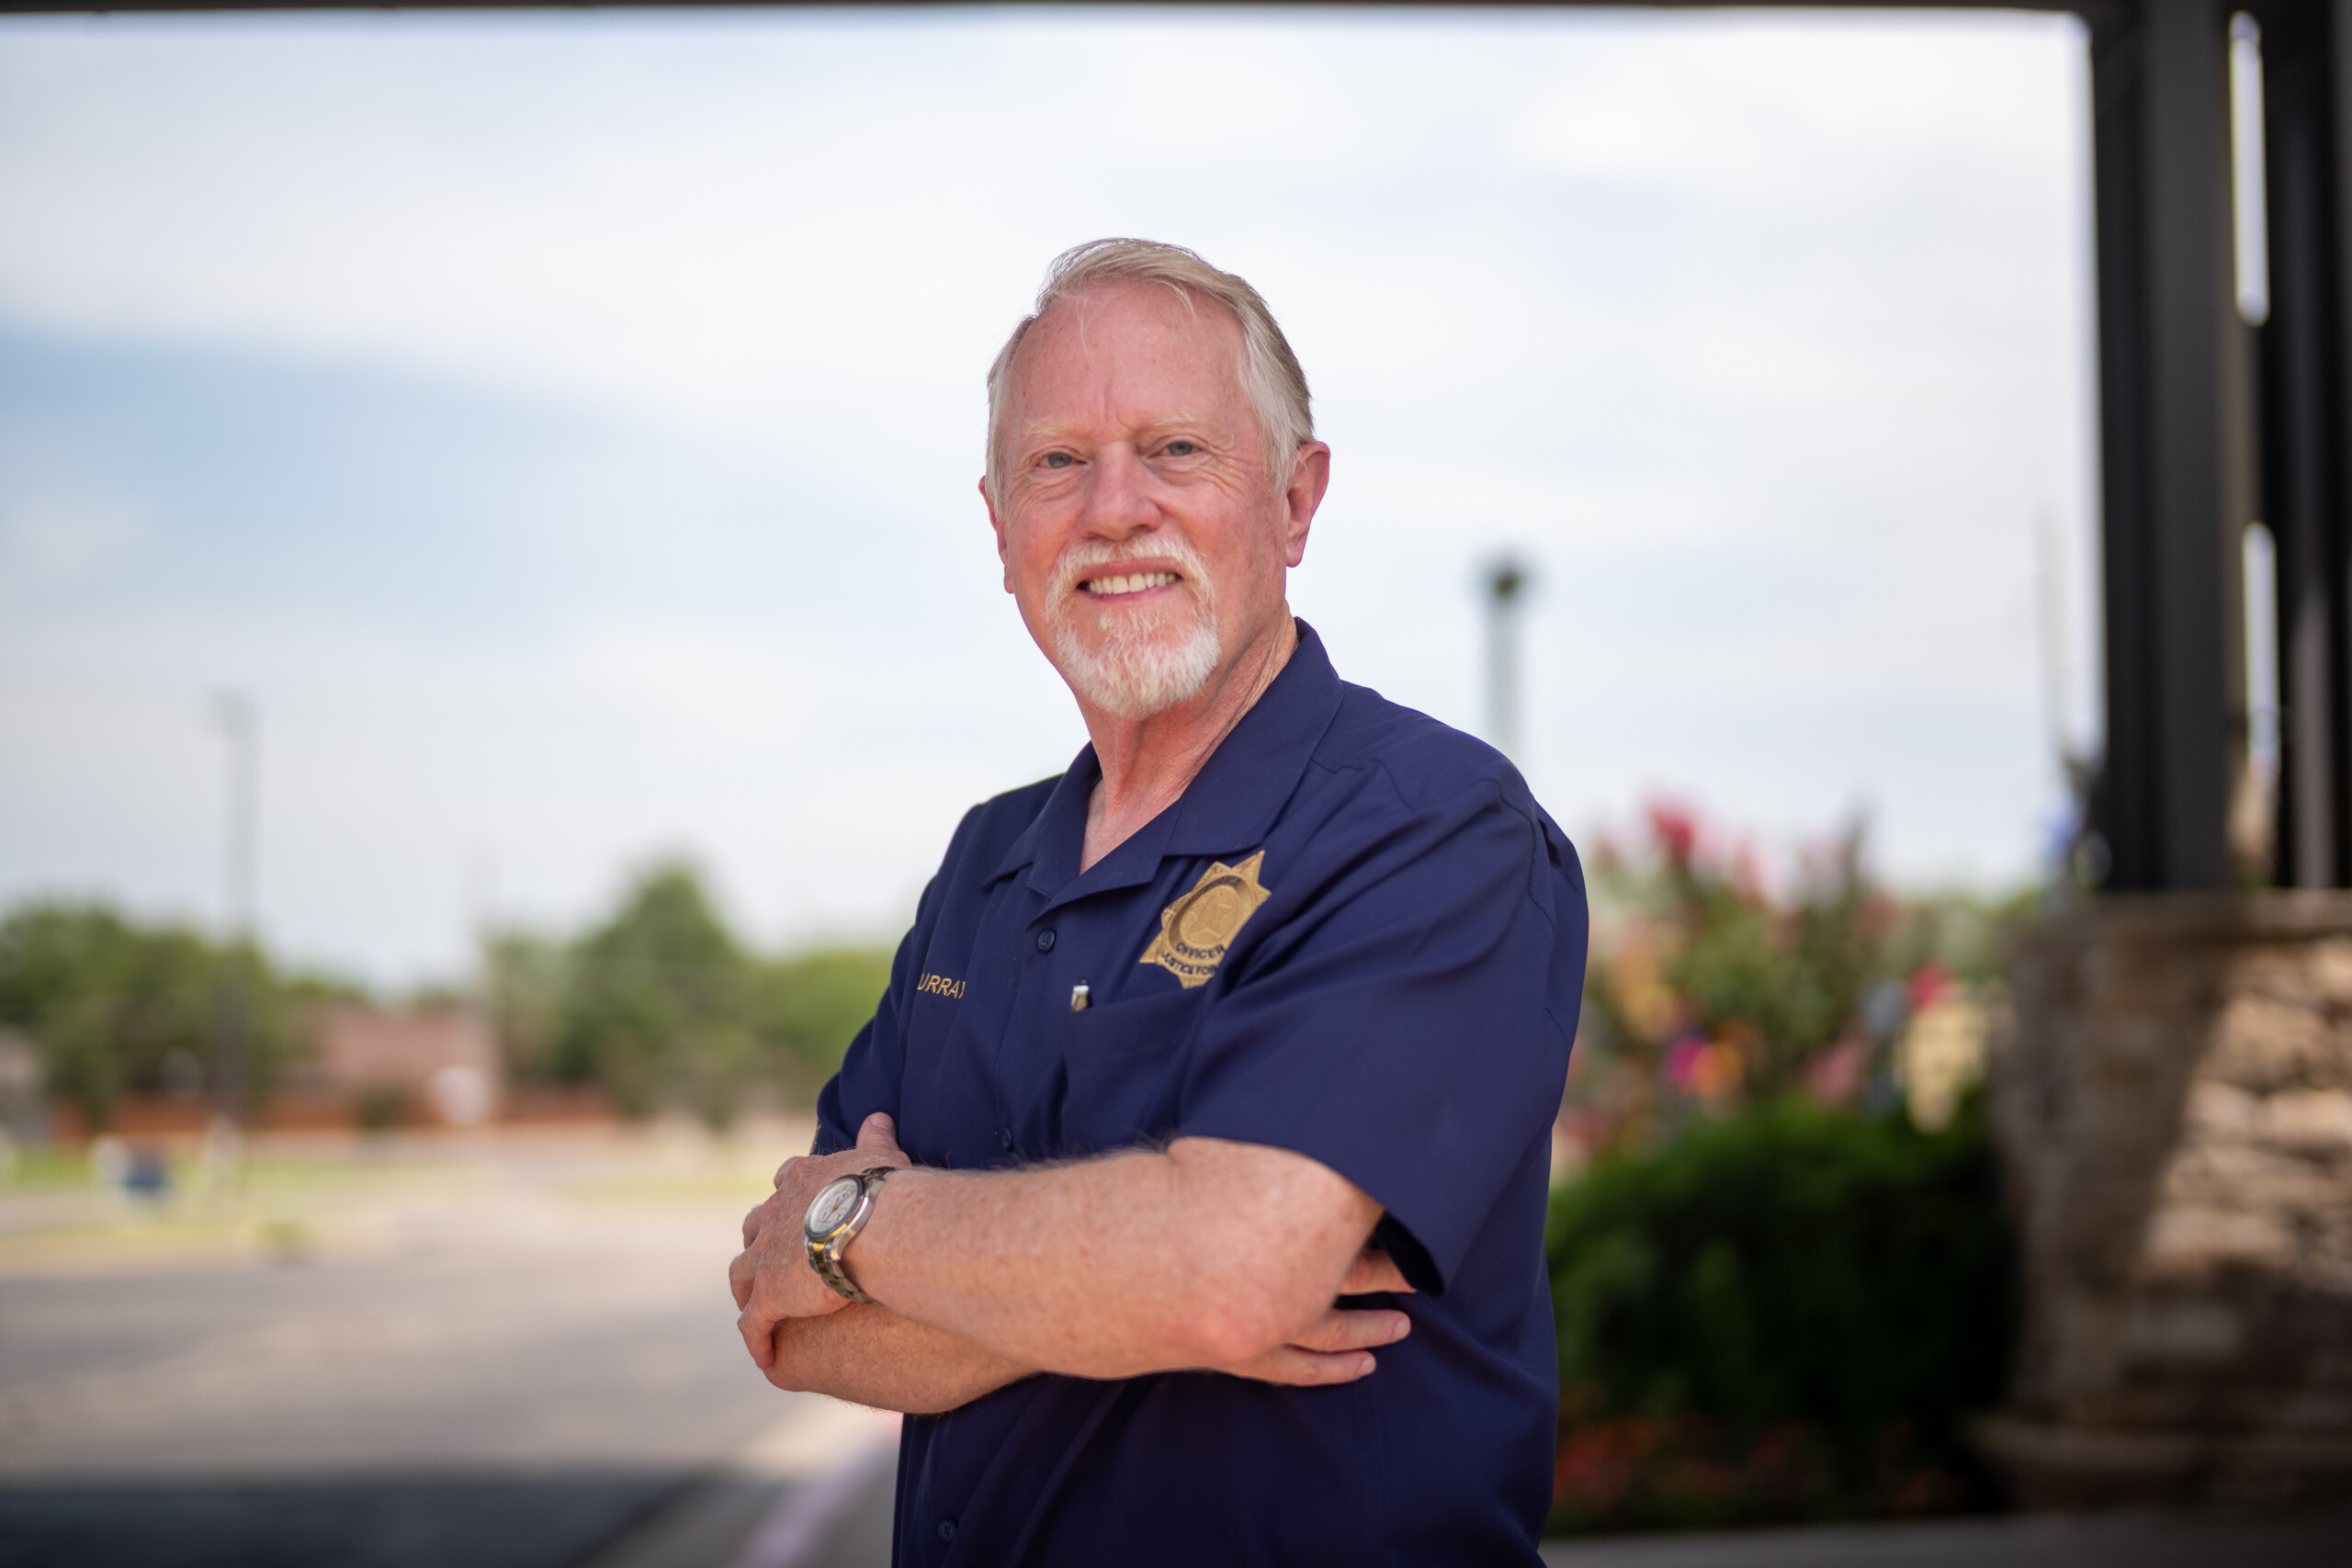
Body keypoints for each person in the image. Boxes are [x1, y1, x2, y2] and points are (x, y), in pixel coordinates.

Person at [730, 238, 1586, 1566]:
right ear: (1002, 525)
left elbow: (1225, 1273)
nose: (1113, 508)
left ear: (1295, 503)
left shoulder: (1426, 824)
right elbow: (795, 1321)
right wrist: (1137, 1285)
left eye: (1177, 451)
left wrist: (864, 1226)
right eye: (1057, 462)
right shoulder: (986, 861)